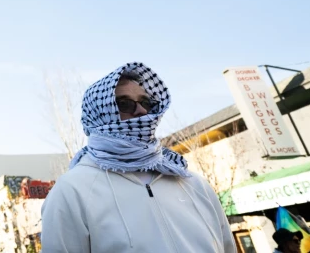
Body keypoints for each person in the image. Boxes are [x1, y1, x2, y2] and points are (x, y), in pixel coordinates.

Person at [40, 65, 234, 252]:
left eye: (146, 103)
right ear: (99, 114)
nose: (141, 111)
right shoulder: (73, 190)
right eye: (124, 104)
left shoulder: (192, 183)